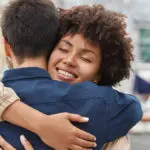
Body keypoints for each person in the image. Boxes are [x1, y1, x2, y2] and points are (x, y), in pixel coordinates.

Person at [0, 1, 142, 150]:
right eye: (63, 49)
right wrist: (40, 123)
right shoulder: (104, 107)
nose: (69, 61)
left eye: (86, 59)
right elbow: (133, 108)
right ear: (50, 47)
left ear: (101, 73)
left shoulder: (111, 128)